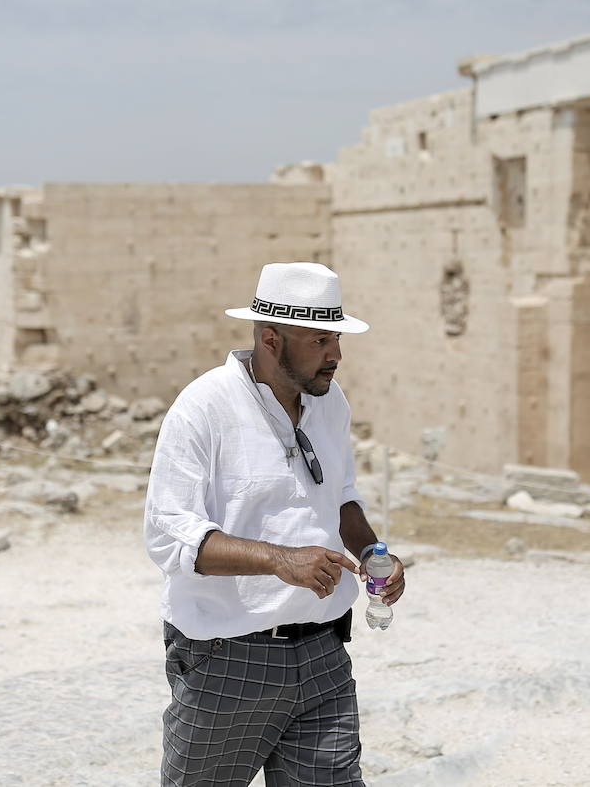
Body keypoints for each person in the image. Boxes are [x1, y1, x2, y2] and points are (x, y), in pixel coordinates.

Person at [144, 261, 405, 787]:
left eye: (336, 338)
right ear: (271, 339)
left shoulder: (331, 405)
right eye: (319, 340)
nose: (335, 354)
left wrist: (376, 552)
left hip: (325, 654)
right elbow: (171, 536)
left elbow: (342, 498)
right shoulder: (204, 407)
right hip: (227, 660)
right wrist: (281, 560)